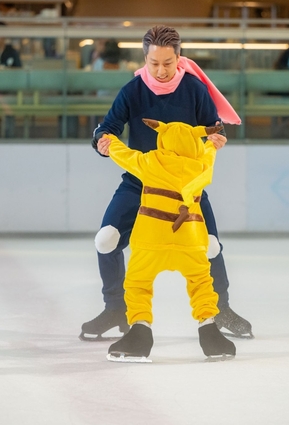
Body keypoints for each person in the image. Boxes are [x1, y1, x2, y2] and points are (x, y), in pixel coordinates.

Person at [81, 25, 253, 341]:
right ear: (145, 59)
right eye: (154, 63)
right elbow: (108, 127)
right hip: (140, 182)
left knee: (210, 245)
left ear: (179, 57)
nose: (160, 71)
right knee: (106, 240)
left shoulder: (194, 89)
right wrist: (101, 141)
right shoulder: (132, 91)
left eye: (168, 63)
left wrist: (216, 139)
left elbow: (214, 127)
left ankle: (221, 309)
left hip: (185, 188)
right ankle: (115, 309)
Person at [100, 120, 236, 362]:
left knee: (138, 284)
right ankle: (210, 333)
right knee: (201, 283)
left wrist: (108, 140)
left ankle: (139, 334)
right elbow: (210, 152)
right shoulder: (201, 166)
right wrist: (211, 143)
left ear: (163, 139)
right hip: (190, 240)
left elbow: (123, 154)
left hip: (151, 240)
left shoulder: (151, 161)